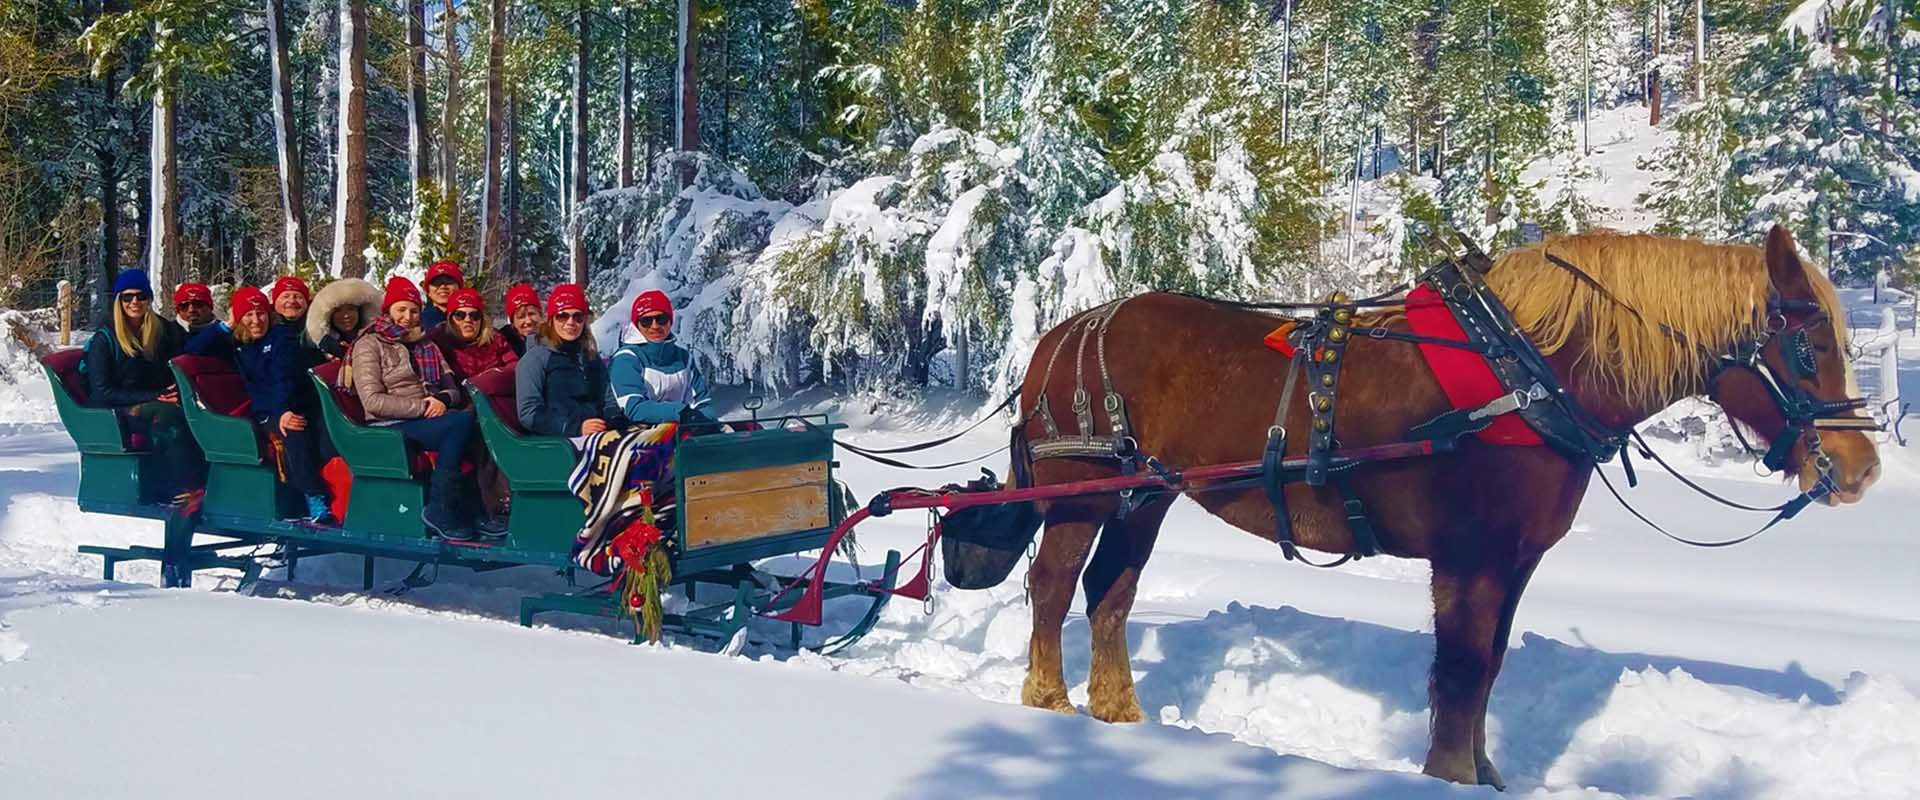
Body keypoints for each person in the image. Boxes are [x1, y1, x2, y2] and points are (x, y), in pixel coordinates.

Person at [345, 277, 499, 541]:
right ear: (388, 311)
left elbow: (452, 386)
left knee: (473, 422)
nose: (408, 316)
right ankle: (440, 506)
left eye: (414, 310)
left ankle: (475, 508)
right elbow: (372, 401)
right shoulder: (369, 344)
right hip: (388, 424)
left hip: (424, 417)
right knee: (458, 424)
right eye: (401, 309)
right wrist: (422, 407)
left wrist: (443, 399)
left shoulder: (425, 344)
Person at [81, 269, 203, 499]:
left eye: (140, 296)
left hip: (155, 398)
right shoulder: (105, 339)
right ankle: (180, 487)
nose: (134, 301)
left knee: (194, 412)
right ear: (119, 300)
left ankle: (205, 482)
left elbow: (182, 360)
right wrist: (154, 396)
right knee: (168, 418)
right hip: (115, 409)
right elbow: (102, 390)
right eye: (127, 296)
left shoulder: (163, 330)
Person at [231, 286, 333, 524]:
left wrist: (284, 410)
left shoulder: (280, 338)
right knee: (294, 432)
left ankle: (330, 493)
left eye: (261, 314)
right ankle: (313, 497)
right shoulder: (238, 344)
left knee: (300, 426)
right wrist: (225, 325)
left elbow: (283, 377)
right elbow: (193, 348)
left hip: (288, 405)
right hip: (265, 411)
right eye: (249, 314)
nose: (256, 320)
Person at [515, 284, 625, 441]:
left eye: (577, 317)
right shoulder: (535, 359)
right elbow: (529, 413)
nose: (570, 322)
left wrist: (614, 420)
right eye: (562, 316)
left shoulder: (590, 356)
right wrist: (575, 427)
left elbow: (607, 400)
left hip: (595, 435)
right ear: (551, 320)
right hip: (557, 441)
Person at [610, 290, 715, 427]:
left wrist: (706, 421)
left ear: (670, 321)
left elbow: (702, 401)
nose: (655, 326)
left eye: (661, 319)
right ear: (637, 325)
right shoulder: (627, 358)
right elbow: (633, 407)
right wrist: (681, 413)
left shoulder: (683, 357)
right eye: (646, 321)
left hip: (682, 431)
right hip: (640, 435)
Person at [430, 287, 519, 381]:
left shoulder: (496, 340)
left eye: (474, 316)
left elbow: (514, 368)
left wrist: (492, 377)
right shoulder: (438, 342)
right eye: (460, 315)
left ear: (482, 319)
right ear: (450, 319)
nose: (468, 320)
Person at [307, 277, 381, 361]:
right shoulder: (321, 349)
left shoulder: (377, 341)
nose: (346, 316)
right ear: (330, 315)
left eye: (351, 309)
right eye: (338, 311)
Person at [174, 282, 236, 362]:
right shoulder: (171, 334)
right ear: (178, 310)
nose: (191, 310)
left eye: (197, 304)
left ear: (210, 307)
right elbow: (188, 351)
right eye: (184, 306)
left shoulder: (227, 333)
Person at [498, 283, 543, 357]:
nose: (528, 321)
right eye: (521, 317)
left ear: (540, 314)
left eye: (532, 314)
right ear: (513, 322)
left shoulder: (552, 338)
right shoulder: (502, 344)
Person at [421, 260, 464, 330]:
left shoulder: (472, 318)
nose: (443, 286)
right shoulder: (418, 322)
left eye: (449, 282)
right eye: (436, 283)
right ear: (428, 291)